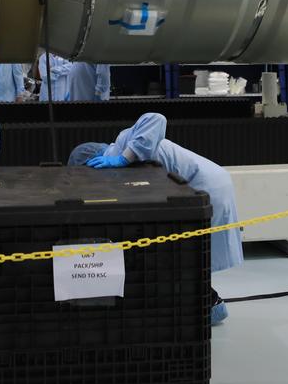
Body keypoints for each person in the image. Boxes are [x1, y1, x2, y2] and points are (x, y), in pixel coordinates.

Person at [69, 113, 242, 325]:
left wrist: (123, 157)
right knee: (186, 256)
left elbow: (157, 118)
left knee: (183, 256)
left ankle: (209, 306)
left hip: (203, 189)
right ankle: (208, 305)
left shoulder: (122, 146)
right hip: (202, 189)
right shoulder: (119, 165)